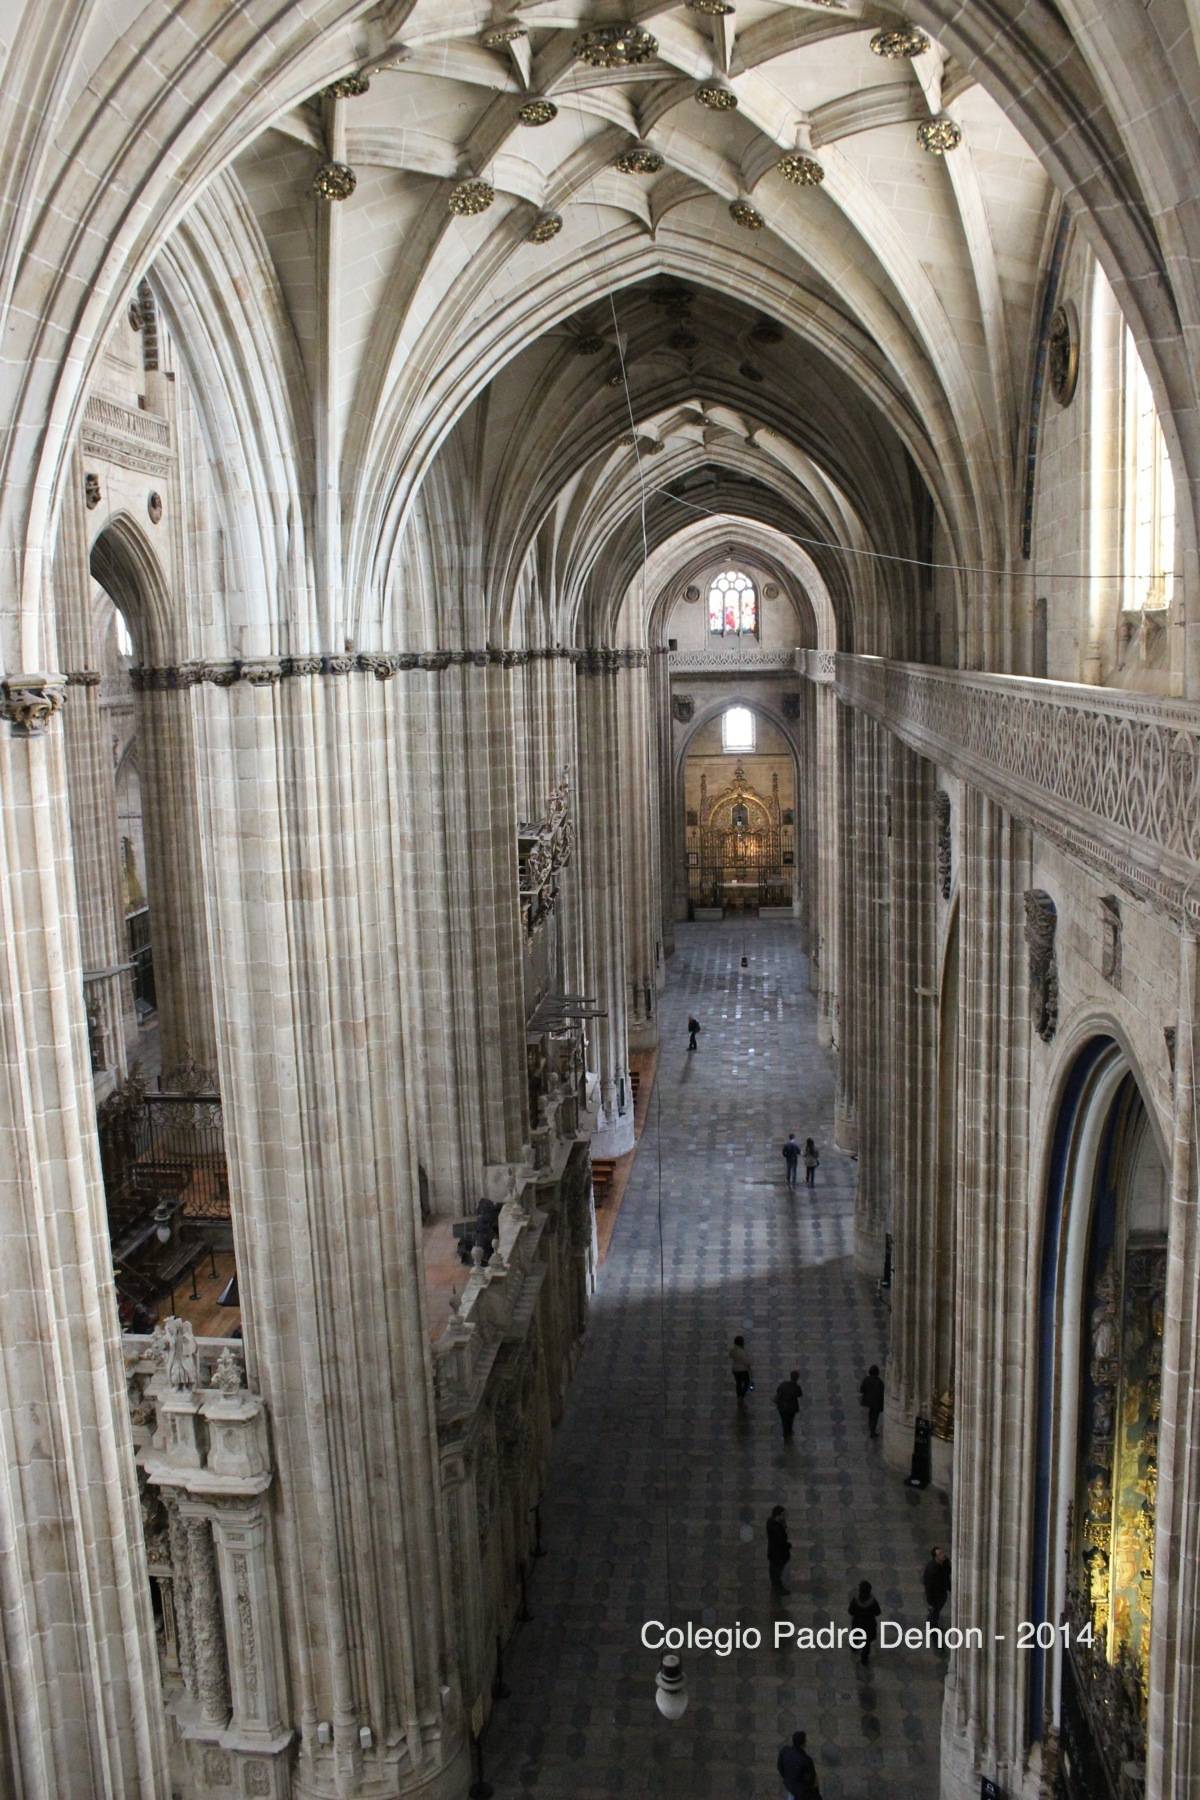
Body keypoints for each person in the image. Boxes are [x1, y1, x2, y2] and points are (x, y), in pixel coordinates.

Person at [848, 1578, 882, 1665]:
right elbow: (878, 1612)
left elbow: (850, 1611)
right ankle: (864, 1658)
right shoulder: (873, 1602)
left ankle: (854, 1647)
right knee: (867, 1643)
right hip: (869, 1624)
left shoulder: (855, 1600)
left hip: (857, 1622)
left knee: (856, 1634)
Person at [777, 1729, 820, 1798]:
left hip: (790, 1787)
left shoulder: (785, 1751)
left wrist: (788, 1778)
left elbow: (780, 1767)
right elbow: (811, 1780)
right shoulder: (806, 1760)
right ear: (804, 1743)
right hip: (801, 1792)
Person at [923, 1545, 952, 1628]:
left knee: (937, 1610)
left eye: (942, 1552)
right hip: (935, 1595)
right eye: (940, 1554)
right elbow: (928, 1586)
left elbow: (948, 1572)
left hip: (943, 1591)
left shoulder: (945, 1562)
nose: (943, 1555)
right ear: (936, 1557)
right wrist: (930, 1601)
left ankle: (933, 1624)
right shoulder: (931, 1569)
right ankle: (931, 1626)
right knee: (934, 1611)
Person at [767, 1505, 791, 1596]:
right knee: (777, 1572)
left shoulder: (770, 1521)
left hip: (773, 1553)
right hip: (777, 1555)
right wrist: (788, 1545)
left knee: (774, 1570)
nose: (785, 1517)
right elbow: (781, 1542)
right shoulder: (776, 1529)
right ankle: (778, 1589)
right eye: (783, 1515)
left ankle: (775, 1585)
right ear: (778, 1515)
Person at [774, 1369, 803, 1442]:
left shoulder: (783, 1384)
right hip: (791, 1407)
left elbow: (778, 1391)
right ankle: (788, 1431)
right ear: (797, 1378)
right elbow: (800, 1394)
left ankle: (786, 1433)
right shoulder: (796, 1387)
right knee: (790, 1420)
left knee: (784, 1420)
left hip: (782, 1407)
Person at [860, 1364, 885, 1438]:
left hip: (869, 1402)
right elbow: (882, 1394)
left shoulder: (866, 1379)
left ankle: (871, 1429)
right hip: (876, 1403)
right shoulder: (880, 1382)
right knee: (875, 1417)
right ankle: (872, 1431)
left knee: (871, 1415)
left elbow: (862, 1389)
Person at [730, 1334, 753, 1402]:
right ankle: (741, 1396)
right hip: (743, 1370)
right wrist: (749, 1364)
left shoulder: (733, 1350)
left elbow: (730, 1355)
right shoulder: (741, 1351)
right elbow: (746, 1361)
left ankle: (739, 1396)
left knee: (738, 1383)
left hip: (735, 1369)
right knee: (747, 1383)